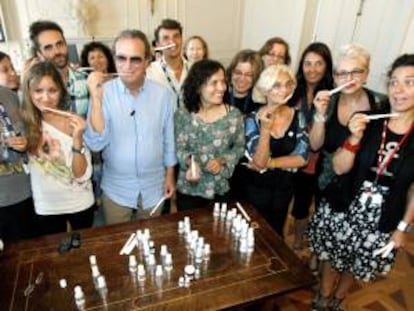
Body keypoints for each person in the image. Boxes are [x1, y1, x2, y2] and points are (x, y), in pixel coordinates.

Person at [307, 44, 388, 311]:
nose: (348, 79)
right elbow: (316, 146)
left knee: (354, 246)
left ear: (366, 74)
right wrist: (318, 114)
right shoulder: (327, 101)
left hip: (364, 189)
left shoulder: (380, 104)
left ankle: (340, 296)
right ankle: (323, 289)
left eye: (356, 71)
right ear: (335, 77)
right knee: (330, 240)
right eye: (341, 73)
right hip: (329, 182)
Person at [84, 29, 176, 225]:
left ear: (147, 61)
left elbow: (169, 139)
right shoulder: (103, 93)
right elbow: (95, 144)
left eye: (135, 59)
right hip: (117, 188)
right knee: (117, 245)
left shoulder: (163, 95)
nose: (127, 66)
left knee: (150, 241)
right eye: (121, 58)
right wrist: (97, 100)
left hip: (154, 186)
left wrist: (169, 176)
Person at [20, 61, 94, 236]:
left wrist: (77, 139)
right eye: (38, 91)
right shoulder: (25, 122)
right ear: (29, 93)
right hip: (46, 206)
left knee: (83, 254)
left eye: (52, 90)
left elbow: (81, 174)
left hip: (79, 202)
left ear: (61, 92)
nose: (45, 98)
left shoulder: (73, 122)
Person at [244, 64, 309, 237]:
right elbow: (258, 161)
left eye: (288, 84)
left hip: (284, 190)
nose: (285, 89)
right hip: (255, 189)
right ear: (265, 90)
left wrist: (271, 163)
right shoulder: (252, 119)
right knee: (253, 235)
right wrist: (265, 130)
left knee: (276, 235)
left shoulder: (298, 116)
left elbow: (302, 157)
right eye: (277, 85)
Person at [175, 59, 244, 210]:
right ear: (199, 86)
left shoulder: (234, 116)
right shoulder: (182, 114)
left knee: (217, 232)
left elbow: (239, 148)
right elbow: (178, 148)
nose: (222, 88)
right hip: (189, 188)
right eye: (214, 83)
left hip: (219, 188)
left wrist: (222, 160)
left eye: (223, 82)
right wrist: (190, 162)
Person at [290, 42, 334, 251]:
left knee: (307, 203)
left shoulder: (332, 95)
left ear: (327, 66)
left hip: (317, 162)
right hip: (291, 157)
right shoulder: (293, 89)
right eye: (308, 63)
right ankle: (296, 239)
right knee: (295, 204)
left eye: (318, 63)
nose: (312, 69)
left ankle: (304, 242)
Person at [27, 20, 89, 117]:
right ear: (39, 54)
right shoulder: (34, 89)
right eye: (48, 48)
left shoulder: (86, 79)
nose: (57, 51)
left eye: (60, 44)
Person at [0, 86, 36, 241]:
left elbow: (27, 132)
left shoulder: (10, 95)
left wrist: (25, 142)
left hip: (23, 191)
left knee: (30, 251)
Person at [146, 19, 189, 110]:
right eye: (166, 38)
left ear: (182, 40)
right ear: (158, 45)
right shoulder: (149, 72)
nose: (172, 42)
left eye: (176, 36)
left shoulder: (194, 69)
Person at [225, 49, 264, 115]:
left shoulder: (260, 103)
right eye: (238, 73)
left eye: (249, 75)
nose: (242, 79)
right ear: (231, 72)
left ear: (256, 77)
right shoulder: (220, 98)